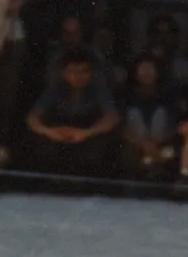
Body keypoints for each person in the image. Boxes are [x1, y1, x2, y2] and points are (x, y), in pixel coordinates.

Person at [23, 45, 118, 179]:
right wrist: (48, 131)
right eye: (73, 71)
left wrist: (87, 133)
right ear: (64, 73)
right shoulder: (55, 90)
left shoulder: (98, 90)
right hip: (59, 132)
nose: (78, 76)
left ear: (91, 73)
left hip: (88, 133)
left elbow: (111, 117)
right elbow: (33, 117)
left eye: (83, 71)